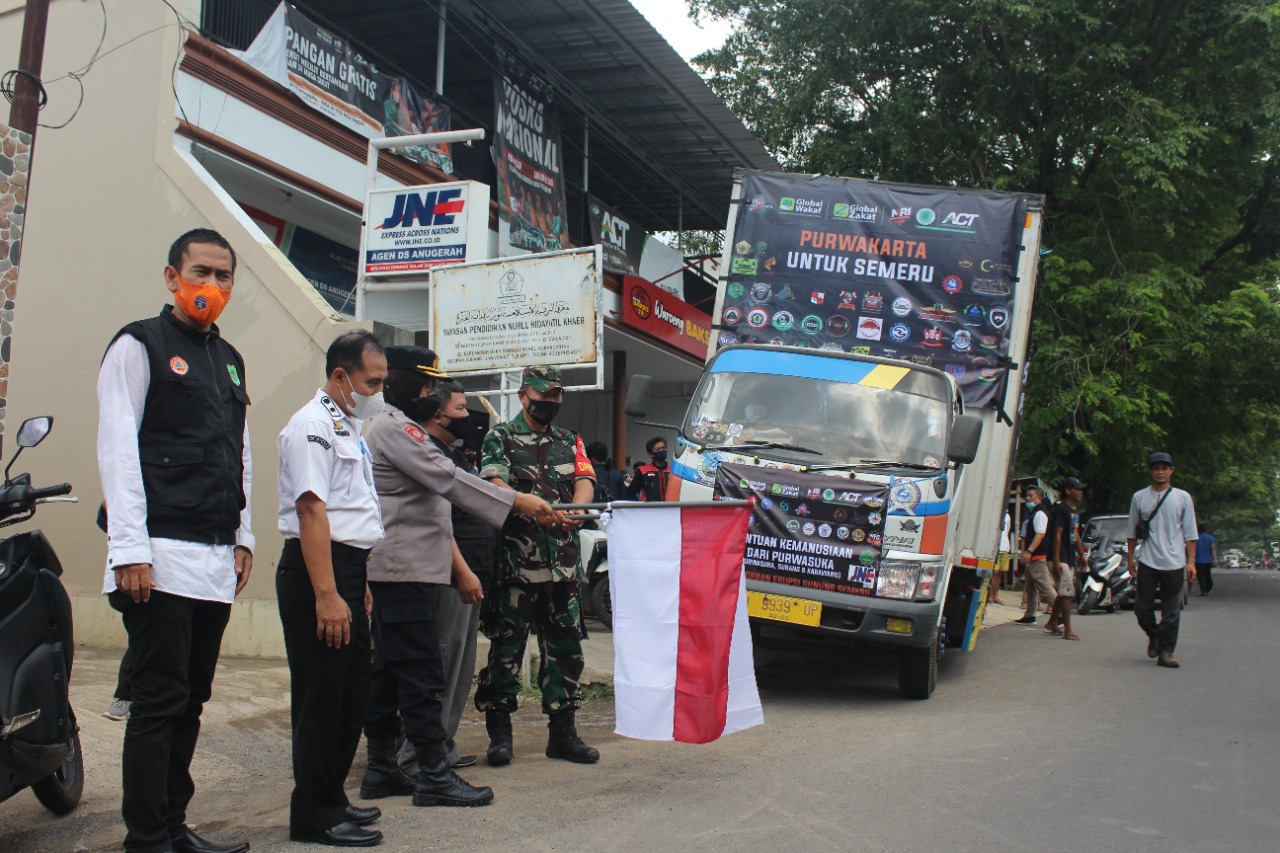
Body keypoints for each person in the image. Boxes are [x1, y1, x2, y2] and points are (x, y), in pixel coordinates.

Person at [98, 228, 254, 853]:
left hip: (215, 559)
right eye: (201, 273)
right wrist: (128, 548)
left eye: (223, 277)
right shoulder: (139, 346)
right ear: (172, 277)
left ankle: (173, 824)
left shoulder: (231, 357)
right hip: (157, 555)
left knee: (191, 701)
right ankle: (146, 839)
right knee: (159, 703)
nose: (211, 287)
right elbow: (117, 447)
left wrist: (243, 535)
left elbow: (237, 455)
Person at [359, 349, 563, 808]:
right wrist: (517, 502)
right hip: (402, 568)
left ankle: (381, 770)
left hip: (408, 567)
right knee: (421, 674)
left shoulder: (396, 426)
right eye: (430, 389)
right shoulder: (396, 428)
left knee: (392, 674)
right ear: (410, 385)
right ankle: (431, 774)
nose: (435, 398)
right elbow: (448, 479)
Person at [276, 331, 388, 847]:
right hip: (316, 570)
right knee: (321, 695)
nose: (378, 392)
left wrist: (355, 583)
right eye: (373, 382)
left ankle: (333, 797)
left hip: (347, 569)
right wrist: (326, 592)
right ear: (341, 376)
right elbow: (311, 510)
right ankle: (313, 815)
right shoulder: (312, 426)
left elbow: (352, 512)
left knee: (350, 693)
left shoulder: (347, 426)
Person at [474, 365, 600, 766]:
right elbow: (494, 484)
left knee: (565, 650)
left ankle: (563, 734)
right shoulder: (500, 437)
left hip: (562, 564)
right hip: (517, 564)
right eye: (543, 398)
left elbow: (585, 479)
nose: (550, 405)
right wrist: (530, 505)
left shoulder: (569, 440)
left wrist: (578, 506)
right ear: (524, 396)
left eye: (556, 398)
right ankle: (500, 734)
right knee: (506, 648)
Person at [1127, 452, 1198, 668]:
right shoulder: (1139, 497)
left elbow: (1190, 532)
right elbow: (1132, 530)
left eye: (1164, 468)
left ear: (1171, 471)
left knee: (1171, 612)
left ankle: (1166, 652)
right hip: (1148, 560)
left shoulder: (1182, 497)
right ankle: (1154, 635)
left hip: (1174, 562)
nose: (1160, 472)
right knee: (1141, 608)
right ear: (1150, 471)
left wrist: (1191, 561)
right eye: (1156, 468)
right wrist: (1131, 558)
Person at [1045, 476, 1087, 640]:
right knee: (1068, 591)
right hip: (1059, 557)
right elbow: (1058, 535)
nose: (1080, 492)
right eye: (1077, 489)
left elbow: (1074, 534)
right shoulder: (1061, 509)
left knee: (1064, 592)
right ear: (1068, 491)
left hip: (1068, 557)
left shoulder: (1074, 511)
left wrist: (1081, 554)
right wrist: (1056, 560)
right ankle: (1068, 628)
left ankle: (1052, 622)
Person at [1014, 485, 1057, 627]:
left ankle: (1061, 614)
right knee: (1030, 587)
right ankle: (1029, 615)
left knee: (1045, 587)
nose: (1028, 498)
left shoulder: (1040, 514)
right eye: (1027, 495)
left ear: (1039, 498)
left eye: (1031, 496)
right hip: (1034, 557)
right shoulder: (1034, 512)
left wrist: (1029, 551)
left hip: (1038, 557)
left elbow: (1040, 535)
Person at [627, 436, 673, 502]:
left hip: (671, 509)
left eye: (663, 448)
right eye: (658, 449)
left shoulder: (673, 471)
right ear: (651, 454)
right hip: (649, 510)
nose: (662, 450)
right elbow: (631, 492)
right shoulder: (643, 471)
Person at [989, 507, 1011, 605]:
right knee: (994, 572)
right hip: (995, 547)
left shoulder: (1007, 516)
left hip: (1004, 547)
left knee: (1000, 574)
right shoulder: (994, 514)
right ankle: (990, 596)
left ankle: (995, 596)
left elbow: (1007, 530)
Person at [1195, 524, 1217, 596]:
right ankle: (1208, 587)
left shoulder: (1195, 538)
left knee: (1200, 576)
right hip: (1208, 560)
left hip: (1198, 560)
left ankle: (1203, 590)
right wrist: (1215, 559)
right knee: (1207, 575)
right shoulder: (1210, 538)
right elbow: (1213, 548)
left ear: (1198, 530)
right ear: (1205, 530)